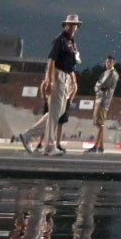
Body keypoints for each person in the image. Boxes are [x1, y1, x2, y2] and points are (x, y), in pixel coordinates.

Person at [22, 14, 81, 156]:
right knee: (55, 112)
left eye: (75, 25)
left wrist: (71, 80)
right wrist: (49, 79)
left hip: (65, 76)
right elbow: (51, 60)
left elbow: (72, 62)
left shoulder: (71, 42)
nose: (72, 27)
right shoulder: (60, 40)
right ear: (65, 25)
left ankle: (28, 135)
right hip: (58, 74)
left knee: (57, 112)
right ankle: (49, 146)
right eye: (70, 24)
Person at [86, 55, 119, 153]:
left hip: (103, 100)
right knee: (99, 123)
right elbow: (98, 85)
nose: (107, 63)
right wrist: (98, 86)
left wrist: (98, 87)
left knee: (100, 124)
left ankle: (96, 146)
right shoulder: (106, 72)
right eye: (107, 62)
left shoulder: (113, 73)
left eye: (110, 62)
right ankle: (101, 146)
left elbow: (102, 85)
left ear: (113, 63)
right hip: (100, 99)